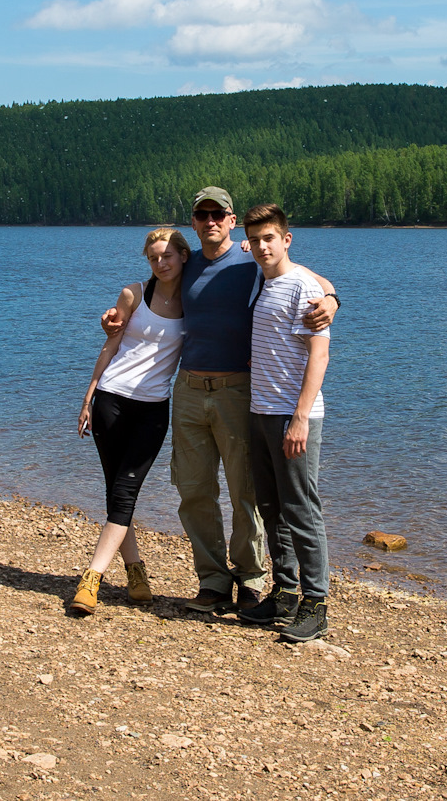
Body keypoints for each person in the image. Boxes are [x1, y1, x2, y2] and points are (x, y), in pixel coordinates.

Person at [103, 186, 338, 609]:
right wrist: (114, 321)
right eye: (201, 215)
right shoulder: (185, 263)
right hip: (189, 390)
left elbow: (308, 278)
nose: (210, 221)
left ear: (231, 220)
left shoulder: (252, 257)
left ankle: (250, 578)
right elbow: (143, 293)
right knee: (194, 490)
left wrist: (333, 299)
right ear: (193, 223)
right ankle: (212, 580)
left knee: (244, 489)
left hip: (238, 392)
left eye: (218, 214)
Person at [68, 228, 190, 615]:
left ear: (184, 256)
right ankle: (126, 573)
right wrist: (88, 397)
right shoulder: (133, 294)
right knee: (118, 491)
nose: (161, 263)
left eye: (168, 255)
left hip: (153, 409)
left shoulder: (196, 298)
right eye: (154, 257)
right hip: (111, 401)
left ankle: (96, 575)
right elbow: (112, 343)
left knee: (126, 489)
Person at [232, 201, 334, 641]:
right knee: (271, 508)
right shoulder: (260, 278)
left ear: (286, 239)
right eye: (254, 240)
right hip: (260, 411)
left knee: (301, 508)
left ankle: (316, 602)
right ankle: (286, 592)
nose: (260, 247)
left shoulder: (303, 287)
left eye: (269, 238)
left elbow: (320, 354)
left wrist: (300, 418)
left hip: (293, 416)